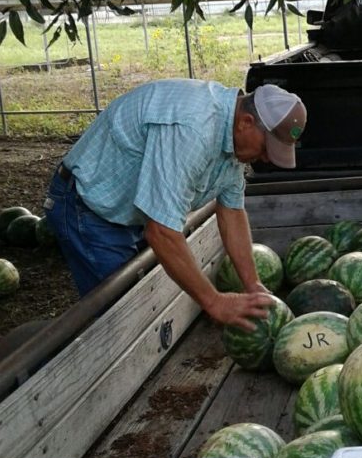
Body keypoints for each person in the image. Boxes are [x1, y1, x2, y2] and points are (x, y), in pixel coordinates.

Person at [43, 79, 307, 330]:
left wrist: (253, 284)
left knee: (147, 310)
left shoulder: (231, 136)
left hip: (131, 211)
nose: (264, 159)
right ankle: (34, 369)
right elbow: (160, 231)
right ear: (246, 123)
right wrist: (214, 301)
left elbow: (232, 211)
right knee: (122, 322)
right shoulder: (194, 130)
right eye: (265, 149)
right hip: (89, 207)